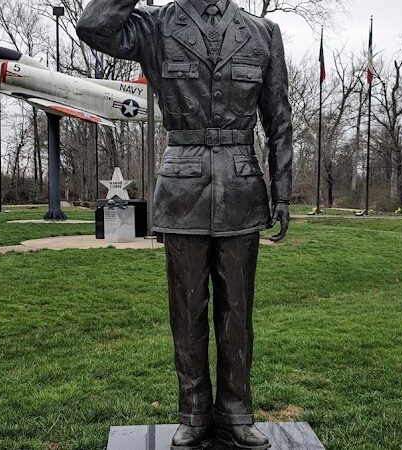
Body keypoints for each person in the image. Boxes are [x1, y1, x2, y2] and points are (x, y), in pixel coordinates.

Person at [78, 0, 292, 447]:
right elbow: (93, 27)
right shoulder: (157, 26)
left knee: (237, 311)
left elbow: (279, 119)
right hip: (182, 189)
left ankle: (236, 411)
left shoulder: (262, 32)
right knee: (187, 309)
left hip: (240, 188)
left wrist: (283, 191)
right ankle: (193, 411)